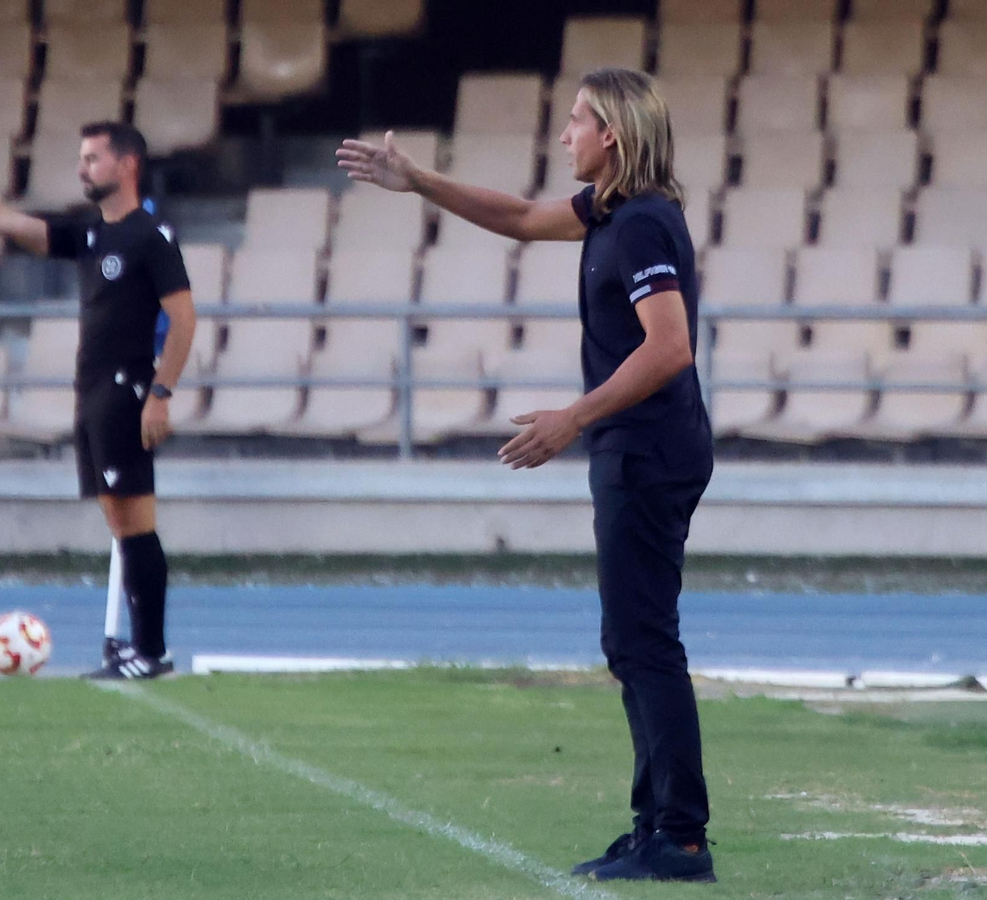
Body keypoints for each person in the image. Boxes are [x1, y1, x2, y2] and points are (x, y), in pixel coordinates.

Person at [337, 67, 717, 883]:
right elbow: (514, 217)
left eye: (576, 120)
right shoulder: (609, 212)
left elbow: (670, 346)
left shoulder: (645, 222)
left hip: (648, 448)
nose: (564, 133)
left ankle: (681, 838)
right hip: (634, 446)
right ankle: (656, 824)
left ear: (611, 134)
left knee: (645, 641)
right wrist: (417, 181)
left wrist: (572, 417)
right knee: (631, 640)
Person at [0, 121, 196, 680]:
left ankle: (152, 651)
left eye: (93, 158)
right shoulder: (91, 235)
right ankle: (142, 648)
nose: (82, 169)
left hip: (127, 391)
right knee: (120, 522)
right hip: (94, 393)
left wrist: (160, 394)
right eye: (81, 158)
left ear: (127, 165)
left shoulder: (151, 236)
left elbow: (184, 319)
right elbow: (9, 222)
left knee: (135, 522)